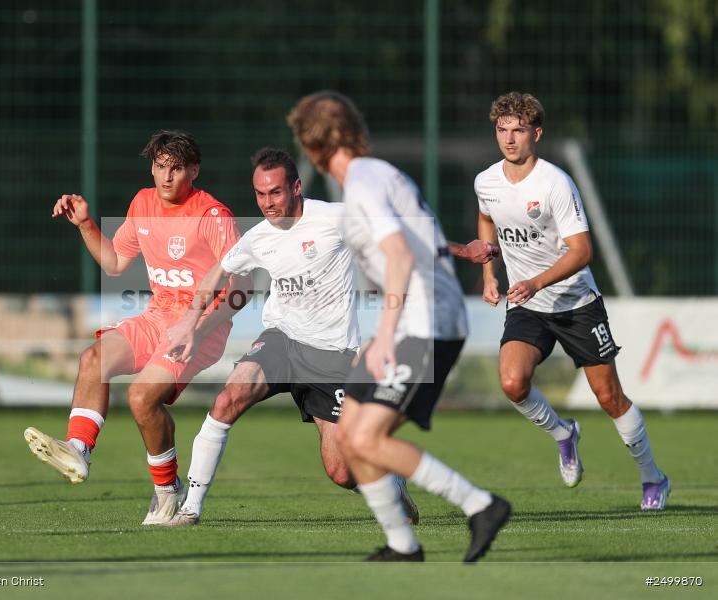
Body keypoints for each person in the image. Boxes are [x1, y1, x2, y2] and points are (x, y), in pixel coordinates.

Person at [287, 90, 510, 563]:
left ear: (312, 145)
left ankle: (481, 505)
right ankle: (402, 543)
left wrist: (384, 335)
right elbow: (421, 242)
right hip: (415, 320)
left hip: (427, 324)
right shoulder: (375, 177)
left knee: (367, 438)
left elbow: (400, 256)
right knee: (348, 430)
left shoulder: (365, 182)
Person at [160, 147, 418, 527]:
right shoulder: (258, 237)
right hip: (281, 339)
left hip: (330, 356)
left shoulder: (334, 218)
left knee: (341, 472)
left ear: (296, 187)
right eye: (260, 195)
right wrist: (189, 323)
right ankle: (190, 508)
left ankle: (392, 484)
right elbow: (218, 271)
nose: (267, 203)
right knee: (230, 396)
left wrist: (465, 250)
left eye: (275, 193)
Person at [24, 130, 248, 525]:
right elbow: (114, 263)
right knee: (94, 358)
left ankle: (167, 491)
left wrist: (194, 327)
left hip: (203, 327)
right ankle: (78, 449)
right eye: (160, 167)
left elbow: (241, 290)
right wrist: (85, 224)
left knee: (143, 397)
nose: (166, 177)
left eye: (177, 168)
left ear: (194, 170)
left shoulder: (213, 215)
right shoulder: (143, 202)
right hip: (156, 316)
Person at [472, 91, 669, 510]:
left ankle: (653, 478)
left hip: (576, 303)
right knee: (511, 382)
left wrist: (537, 282)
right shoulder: (486, 181)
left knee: (609, 397)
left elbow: (581, 251)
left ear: (536, 134)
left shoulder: (555, 183)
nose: (509, 139)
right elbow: (487, 218)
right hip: (528, 305)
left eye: (518, 130)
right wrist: (489, 274)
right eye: (502, 130)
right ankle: (564, 434)